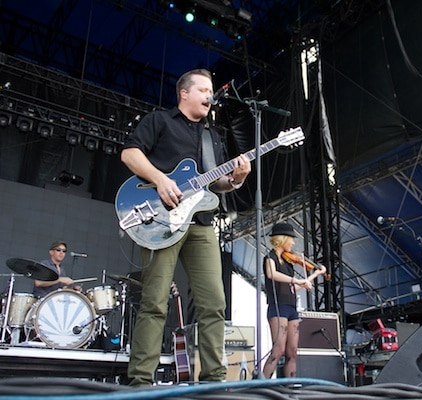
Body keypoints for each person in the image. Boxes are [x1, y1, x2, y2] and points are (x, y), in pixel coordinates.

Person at [121, 68, 251, 386]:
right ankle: (140, 381)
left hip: (201, 224)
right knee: (154, 301)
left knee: (214, 303)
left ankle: (213, 379)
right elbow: (129, 154)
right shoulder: (160, 121)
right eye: (204, 90)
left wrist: (237, 180)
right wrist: (160, 179)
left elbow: (215, 184)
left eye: (211, 91)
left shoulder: (212, 136)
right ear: (184, 93)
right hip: (161, 222)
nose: (210, 95)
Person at [262, 222, 327, 378]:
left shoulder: (288, 263)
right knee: (278, 350)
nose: (293, 244)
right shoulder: (270, 258)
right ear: (282, 239)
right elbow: (272, 274)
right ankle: (259, 384)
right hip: (278, 307)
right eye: (291, 239)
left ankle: (291, 387)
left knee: (292, 352)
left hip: (291, 307)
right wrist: (296, 280)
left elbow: (292, 288)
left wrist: (314, 275)